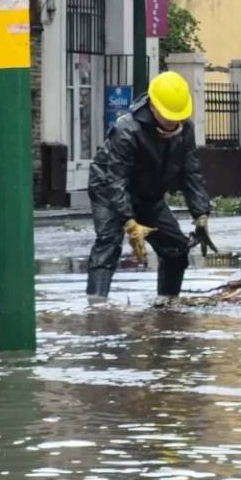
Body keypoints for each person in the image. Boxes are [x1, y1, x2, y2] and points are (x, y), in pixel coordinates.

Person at [86, 71, 216, 308]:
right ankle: (97, 308)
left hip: (150, 195)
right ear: (153, 106)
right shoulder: (127, 129)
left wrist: (201, 213)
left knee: (176, 247)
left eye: (176, 117)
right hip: (108, 189)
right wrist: (128, 221)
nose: (171, 122)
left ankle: (167, 302)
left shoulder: (185, 131)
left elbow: (191, 173)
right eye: (167, 116)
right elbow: (116, 179)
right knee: (108, 244)